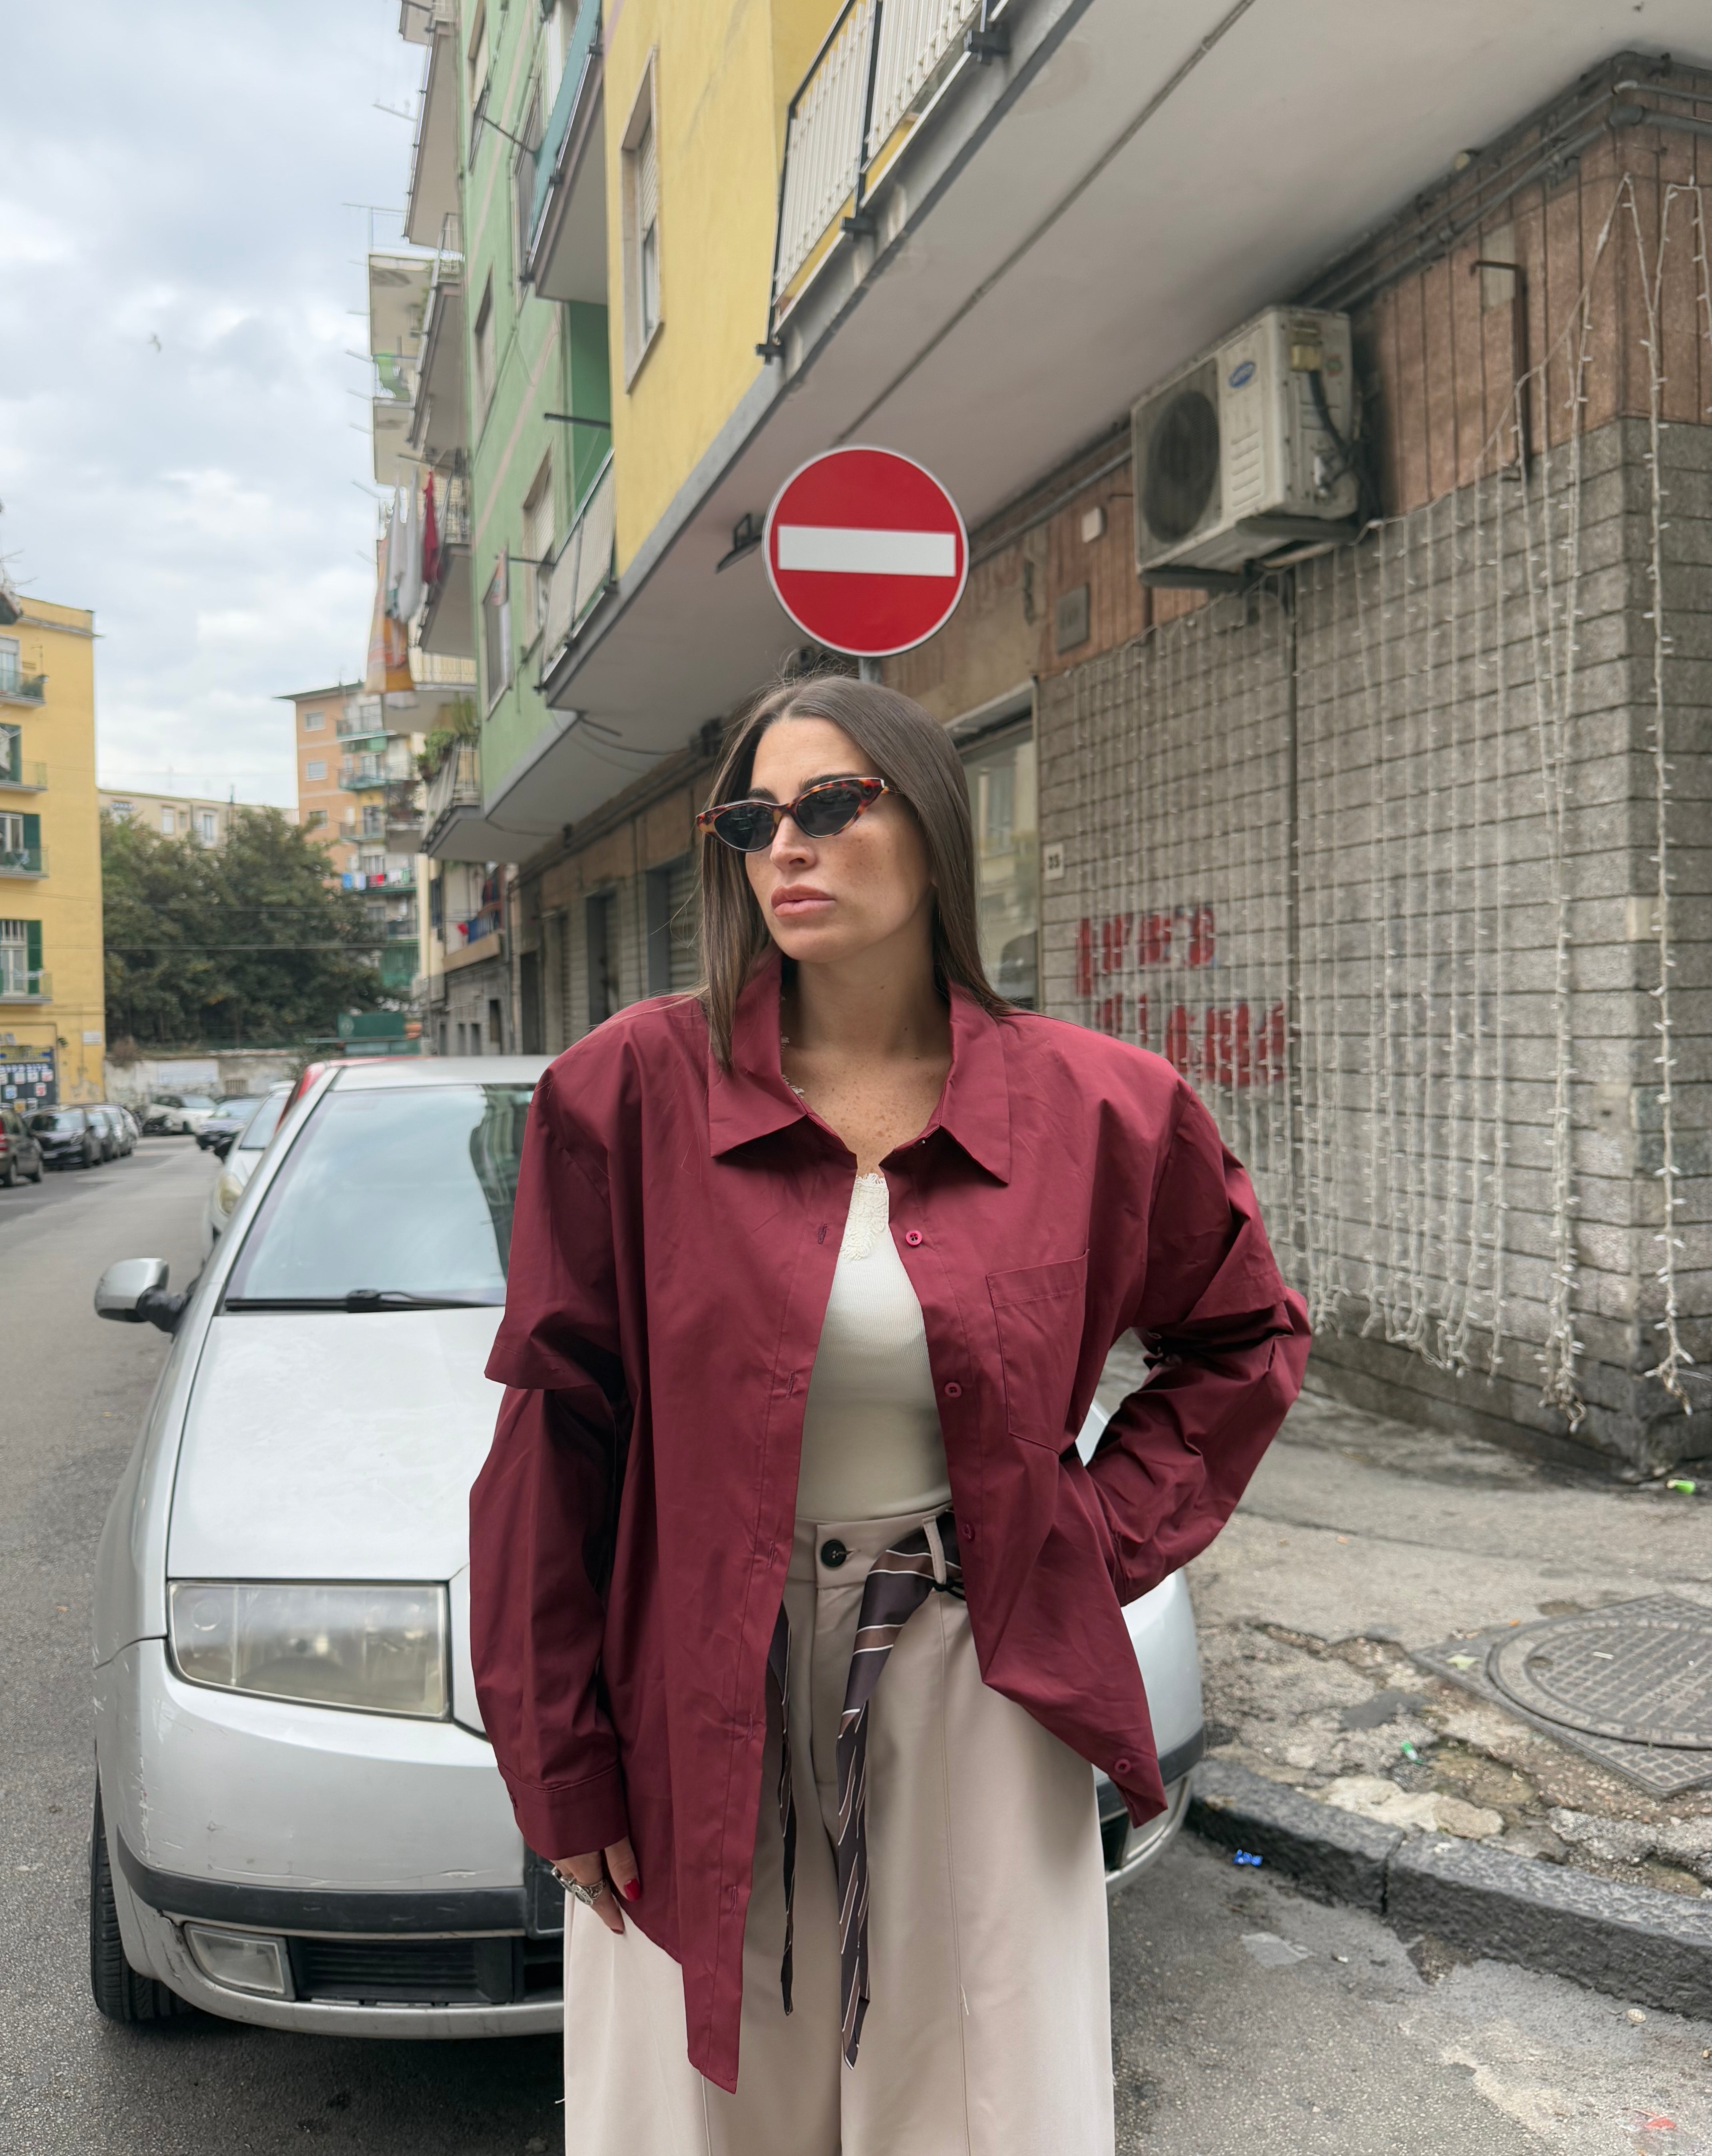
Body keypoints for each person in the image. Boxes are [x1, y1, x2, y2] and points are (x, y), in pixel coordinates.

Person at [469, 674, 1309, 2155]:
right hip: (689, 1686)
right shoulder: (628, 1094)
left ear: (929, 822)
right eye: (752, 820)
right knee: (703, 2110)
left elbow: (1241, 1339)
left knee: (977, 2100)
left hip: (976, 1689)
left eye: (828, 804)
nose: (785, 845)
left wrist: (1084, 1535)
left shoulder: (1102, 1108)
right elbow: (555, 1442)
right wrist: (562, 1762)